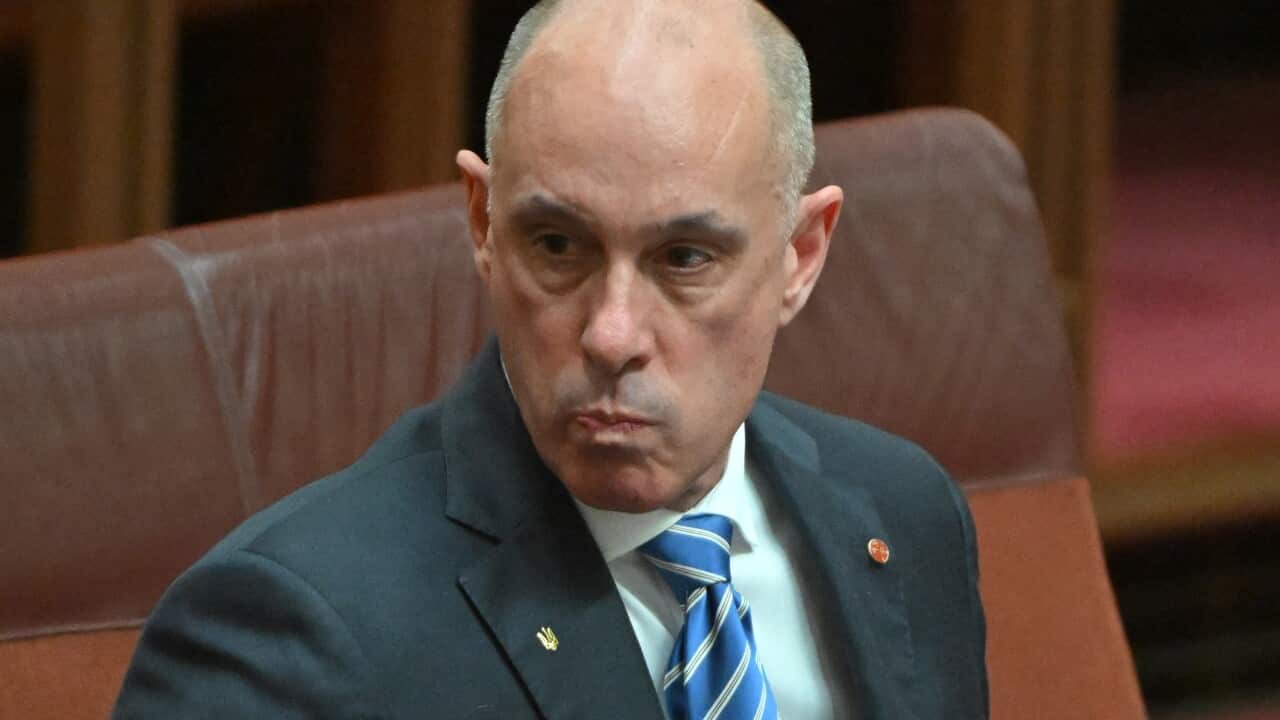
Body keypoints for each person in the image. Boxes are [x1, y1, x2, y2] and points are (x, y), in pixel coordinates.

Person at [113, 1, 987, 718]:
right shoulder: (292, 637)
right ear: (483, 224)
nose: (611, 335)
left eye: (685, 258)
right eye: (559, 245)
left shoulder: (903, 515)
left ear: (799, 254)